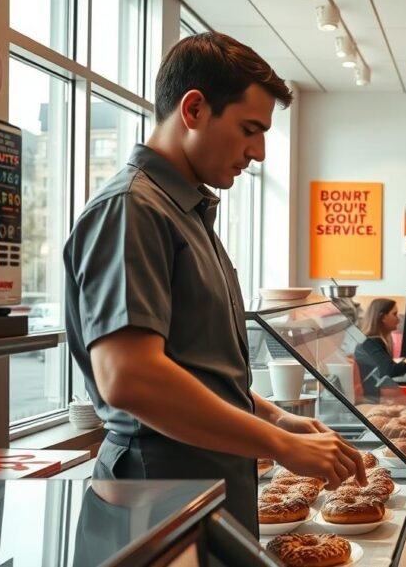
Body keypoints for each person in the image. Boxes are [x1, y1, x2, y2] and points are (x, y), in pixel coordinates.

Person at [63, 32, 365, 538]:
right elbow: (129, 377)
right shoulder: (132, 209)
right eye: (250, 129)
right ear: (195, 109)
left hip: (203, 491)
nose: (260, 152)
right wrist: (281, 446)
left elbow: (202, 370)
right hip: (156, 498)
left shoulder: (186, 213)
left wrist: (275, 419)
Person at [354, 298, 406, 397]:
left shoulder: (379, 340)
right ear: (382, 317)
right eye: (394, 314)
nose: (398, 319)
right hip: (371, 397)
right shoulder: (369, 342)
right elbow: (390, 371)